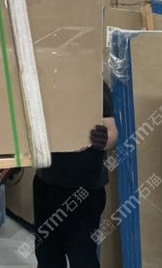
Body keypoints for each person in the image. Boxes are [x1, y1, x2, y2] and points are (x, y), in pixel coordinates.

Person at [32, 81, 118, 267]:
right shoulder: (44, 82)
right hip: (47, 184)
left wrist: (104, 139)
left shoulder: (95, 84)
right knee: (47, 256)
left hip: (84, 190)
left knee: (82, 257)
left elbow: (111, 130)